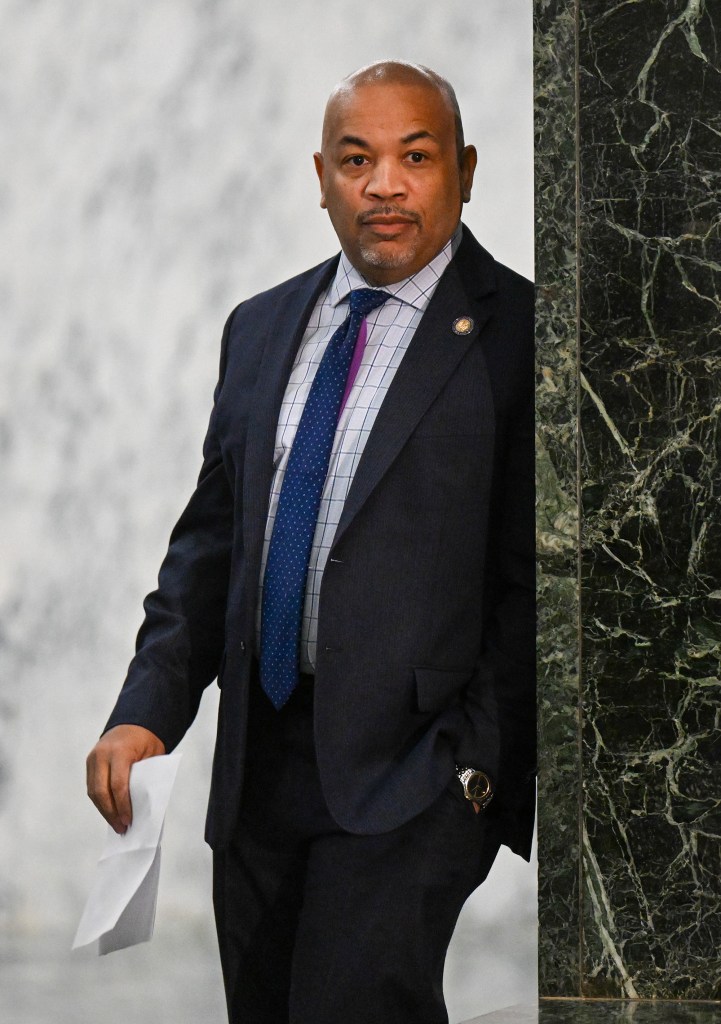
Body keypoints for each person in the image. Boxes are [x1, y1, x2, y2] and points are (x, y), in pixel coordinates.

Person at [86, 60, 536, 1024]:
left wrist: (473, 771)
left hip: (413, 772)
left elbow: (531, 583)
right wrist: (145, 714)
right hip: (261, 765)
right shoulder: (261, 327)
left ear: (462, 169)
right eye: (356, 158)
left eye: (414, 157)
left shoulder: (523, 337)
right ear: (320, 177)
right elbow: (208, 551)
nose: (383, 184)